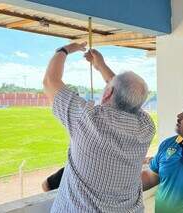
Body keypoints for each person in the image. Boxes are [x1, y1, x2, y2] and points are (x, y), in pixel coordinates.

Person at [43, 42, 155, 212]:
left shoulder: (88, 118)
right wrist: (101, 65)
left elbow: (50, 81)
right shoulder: (147, 127)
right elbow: (126, 94)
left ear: (108, 93)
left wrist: (65, 50)